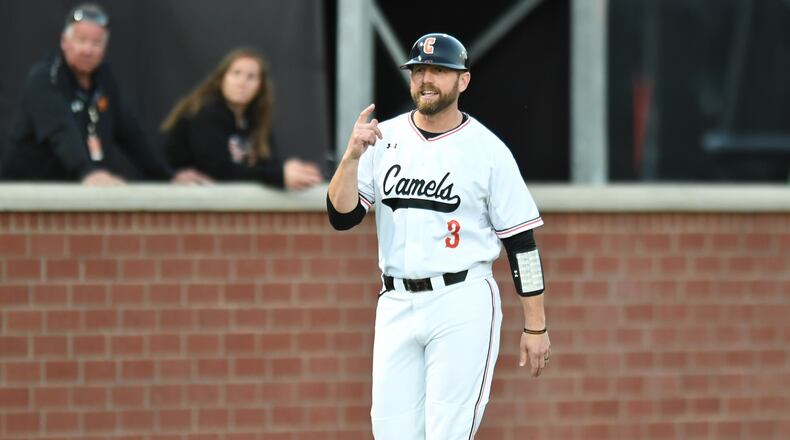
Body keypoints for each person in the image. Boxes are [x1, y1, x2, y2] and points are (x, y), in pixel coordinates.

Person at [326, 33, 551, 439]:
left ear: (463, 80)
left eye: (439, 71)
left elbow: (522, 245)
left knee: (447, 432)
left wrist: (535, 326)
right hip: (394, 300)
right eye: (419, 70)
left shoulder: (488, 150)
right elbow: (342, 217)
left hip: (460, 299)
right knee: (390, 432)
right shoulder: (383, 138)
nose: (426, 79)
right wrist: (351, 157)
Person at [0, 3, 209, 185]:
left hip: (79, 194)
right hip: (29, 198)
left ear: (105, 48)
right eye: (81, 40)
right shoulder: (45, 79)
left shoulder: (104, 81)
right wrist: (87, 172)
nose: (88, 49)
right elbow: (61, 131)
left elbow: (132, 135)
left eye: (96, 43)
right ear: (65, 42)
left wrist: (168, 176)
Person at [160, 47, 323, 190]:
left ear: (261, 86)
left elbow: (266, 163)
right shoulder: (206, 113)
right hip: (181, 201)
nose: (242, 82)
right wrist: (279, 176)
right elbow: (219, 171)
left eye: (251, 77)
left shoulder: (255, 119)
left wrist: (293, 172)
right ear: (221, 79)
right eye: (236, 73)